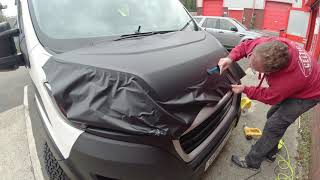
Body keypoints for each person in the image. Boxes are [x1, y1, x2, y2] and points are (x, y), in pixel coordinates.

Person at [218, 37, 320, 170]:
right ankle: (271, 152)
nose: (249, 66)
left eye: (256, 69)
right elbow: (245, 45)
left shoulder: (286, 82)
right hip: (302, 83)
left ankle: (252, 162)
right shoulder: (267, 46)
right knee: (272, 114)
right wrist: (230, 58)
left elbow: (269, 96)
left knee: (274, 125)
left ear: (271, 72)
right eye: (251, 60)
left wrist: (245, 89)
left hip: (308, 95)